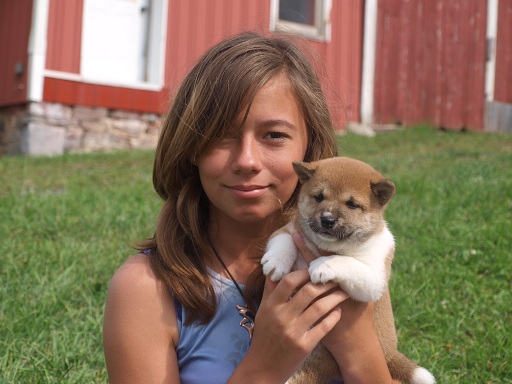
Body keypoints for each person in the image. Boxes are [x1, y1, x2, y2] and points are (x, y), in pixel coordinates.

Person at [103, 31, 396, 383]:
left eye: (274, 135)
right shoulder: (147, 289)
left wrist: (358, 346)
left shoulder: (346, 264)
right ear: (191, 147)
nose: (247, 161)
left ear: (309, 148)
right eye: (220, 135)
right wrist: (265, 367)